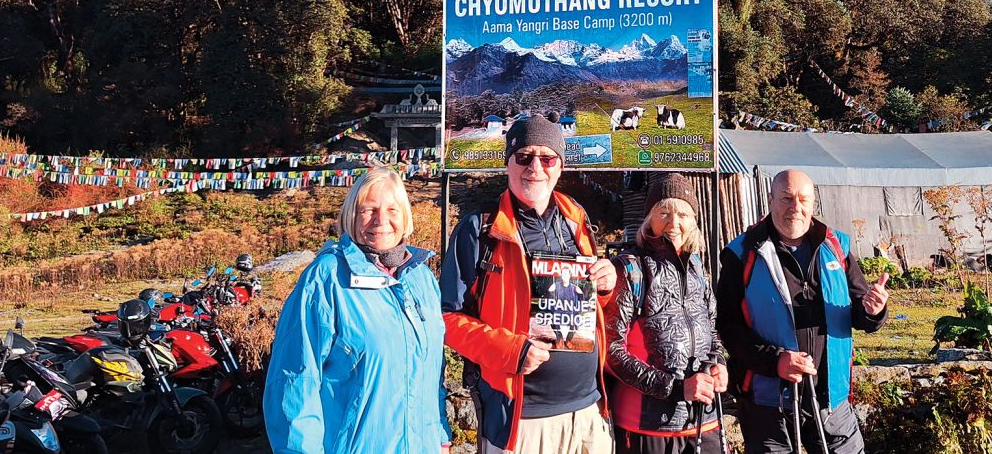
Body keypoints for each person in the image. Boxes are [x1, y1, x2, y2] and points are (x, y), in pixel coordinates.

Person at [442, 116, 619, 454]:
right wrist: (510, 351)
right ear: (508, 162)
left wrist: (606, 284)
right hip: (522, 421)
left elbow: (592, 303)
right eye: (524, 156)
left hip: (588, 413)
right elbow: (447, 319)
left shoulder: (576, 218)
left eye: (547, 158)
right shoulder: (479, 230)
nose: (535, 167)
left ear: (560, 166)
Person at [264, 169, 451, 454]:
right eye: (369, 210)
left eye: (392, 209)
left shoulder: (421, 278)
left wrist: (440, 437)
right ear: (352, 215)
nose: (381, 220)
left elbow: (431, 373)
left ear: (405, 216)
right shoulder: (326, 279)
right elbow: (295, 382)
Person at [716, 169, 890, 454]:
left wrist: (874, 309)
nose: (795, 207)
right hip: (769, 405)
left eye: (803, 199)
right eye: (786, 198)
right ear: (770, 199)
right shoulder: (741, 253)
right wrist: (775, 362)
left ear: (813, 203)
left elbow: (862, 314)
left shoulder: (836, 247)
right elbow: (728, 328)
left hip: (832, 401)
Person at [605, 173, 727, 454]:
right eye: (664, 213)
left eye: (683, 214)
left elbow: (713, 332)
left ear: (693, 221)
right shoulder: (631, 269)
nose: (674, 224)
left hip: (704, 418)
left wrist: (718, 365)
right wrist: (676, 388)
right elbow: (611, 351)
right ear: (649, 219)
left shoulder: (697, 267)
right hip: (647, 423)